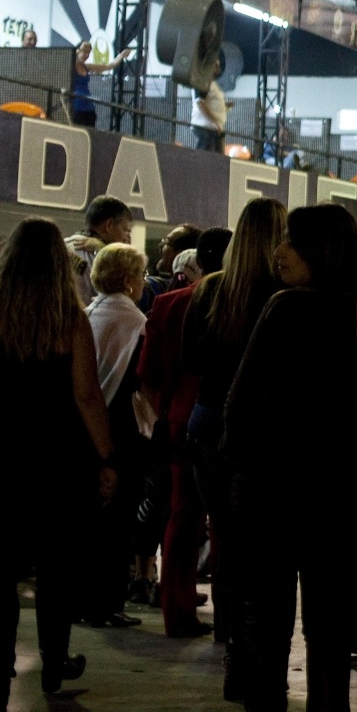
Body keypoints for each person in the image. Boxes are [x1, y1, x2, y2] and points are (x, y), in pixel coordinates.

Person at [224, 203, 357, 712]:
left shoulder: (287, 308)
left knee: (265, 622)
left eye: (291, 241)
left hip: (272, 489)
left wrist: (244, 469)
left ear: (320, 250)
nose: (279, 251)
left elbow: (240, 406)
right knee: (329, 627)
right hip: (336, 489)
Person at [0, 219, 117, 709]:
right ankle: (53, 663)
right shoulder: (69, 319)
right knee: (56, 570)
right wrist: (106, 458)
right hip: (57, 461)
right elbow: (86, 396)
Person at [182, 197, 286, 682]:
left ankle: (230, 641)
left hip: (206, 423)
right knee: (262, 547)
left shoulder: (210, 291)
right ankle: (253, 651)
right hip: (261, 433)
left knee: (227, 536)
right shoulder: (284, 292)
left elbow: (191, 360)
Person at [138, 234, 214, 639]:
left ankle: (176, 610)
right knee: (223, 524)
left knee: (182, 517)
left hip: (177, 420)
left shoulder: (168, 303)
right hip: (219, 421)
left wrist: (163, 416)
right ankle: (232, 619)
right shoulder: (236, 299)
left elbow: (147, 373)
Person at [83, 244, 150, 629]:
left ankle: (84, 598)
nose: (143, 282)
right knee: (119, 521)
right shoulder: (135, 321)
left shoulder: (89, 312)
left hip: (88, 429)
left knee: (91, 521)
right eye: (140, 276)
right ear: (128, 280)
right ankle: (106, 603)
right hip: (121, 432)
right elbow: (139, 380)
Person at [66, 196, 132, 305]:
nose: (126, 238)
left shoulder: (62, 245)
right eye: (125, 230)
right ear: (109, 225)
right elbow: (121, 301)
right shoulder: (105, 260)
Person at [191, 69, 227, 152]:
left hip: (214, 128)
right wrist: (214, 122)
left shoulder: (212, 83)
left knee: (216, 158)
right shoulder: (203, 81)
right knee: (206, 157)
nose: (218, 67)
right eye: (216, 65)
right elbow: (200, 103)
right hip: (207, 127)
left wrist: (222, 108)